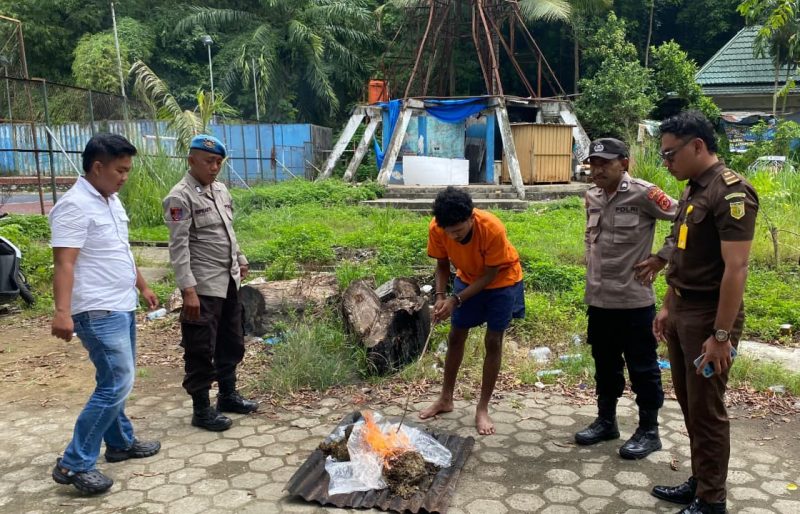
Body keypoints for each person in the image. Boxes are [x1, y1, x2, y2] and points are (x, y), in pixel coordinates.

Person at [651, 111, 758, 514]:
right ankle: (701, 480)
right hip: (681, 307)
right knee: (688, 403)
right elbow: (682, 250)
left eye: (670, 153)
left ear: (697, 145)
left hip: (709, 317)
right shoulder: (695, 187)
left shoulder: (730, 193)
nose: (666, 162)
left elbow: (737, 268)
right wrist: (666, 305)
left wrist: (721, 336)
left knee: (708, 411)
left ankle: (712, 501)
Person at [49, 133, 161, 494]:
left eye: (127, 170)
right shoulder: (74, 206)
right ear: (97, 167)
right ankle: (74, 463)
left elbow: (120, 251)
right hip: (96, 310)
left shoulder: (110, 201)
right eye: (120, 170)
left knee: (114, 380)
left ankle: (120, 442)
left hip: (121, 303)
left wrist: (142, 286)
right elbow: (64, 263)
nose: (124, 177)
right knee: (117, 381)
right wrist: (62, 312)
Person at [576, 137, 677, 460]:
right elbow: (591, 238)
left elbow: (687, 218)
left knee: (643, 368)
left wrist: (662, 257)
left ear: (625, 163)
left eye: (606, 162)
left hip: (634, 301)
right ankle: (607, 421)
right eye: (594, 163)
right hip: (600, 300)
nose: (598, 169)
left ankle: (650, 431)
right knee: (604, 365)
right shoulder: (591, 195)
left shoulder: (645, 193)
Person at [163, 134, 257, 432]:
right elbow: (178, 248)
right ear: (191, 161)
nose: (214, 167)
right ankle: (201, 410)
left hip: (227, 280)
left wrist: (240, 258)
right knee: (200, 346)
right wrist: (187, 290)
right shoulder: (179, 197)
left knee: (232, 340)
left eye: (218, 162)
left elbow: (228, 231)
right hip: (202, 285)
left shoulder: (220, 190)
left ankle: (227, 395)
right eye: (208, 161)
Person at [419, 187, 525, 435]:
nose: (454, 237)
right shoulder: (437, 227)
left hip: (502, 281)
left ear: (470, 217)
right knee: (456, 336)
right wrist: (441, 296)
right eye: (449, 232)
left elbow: (490, 274)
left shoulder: (491, 228)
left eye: (459, 230)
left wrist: (456, 300)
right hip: (466, 278)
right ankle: (446, 398)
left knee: (493, 341)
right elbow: (442, 263)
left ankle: (482, 408)